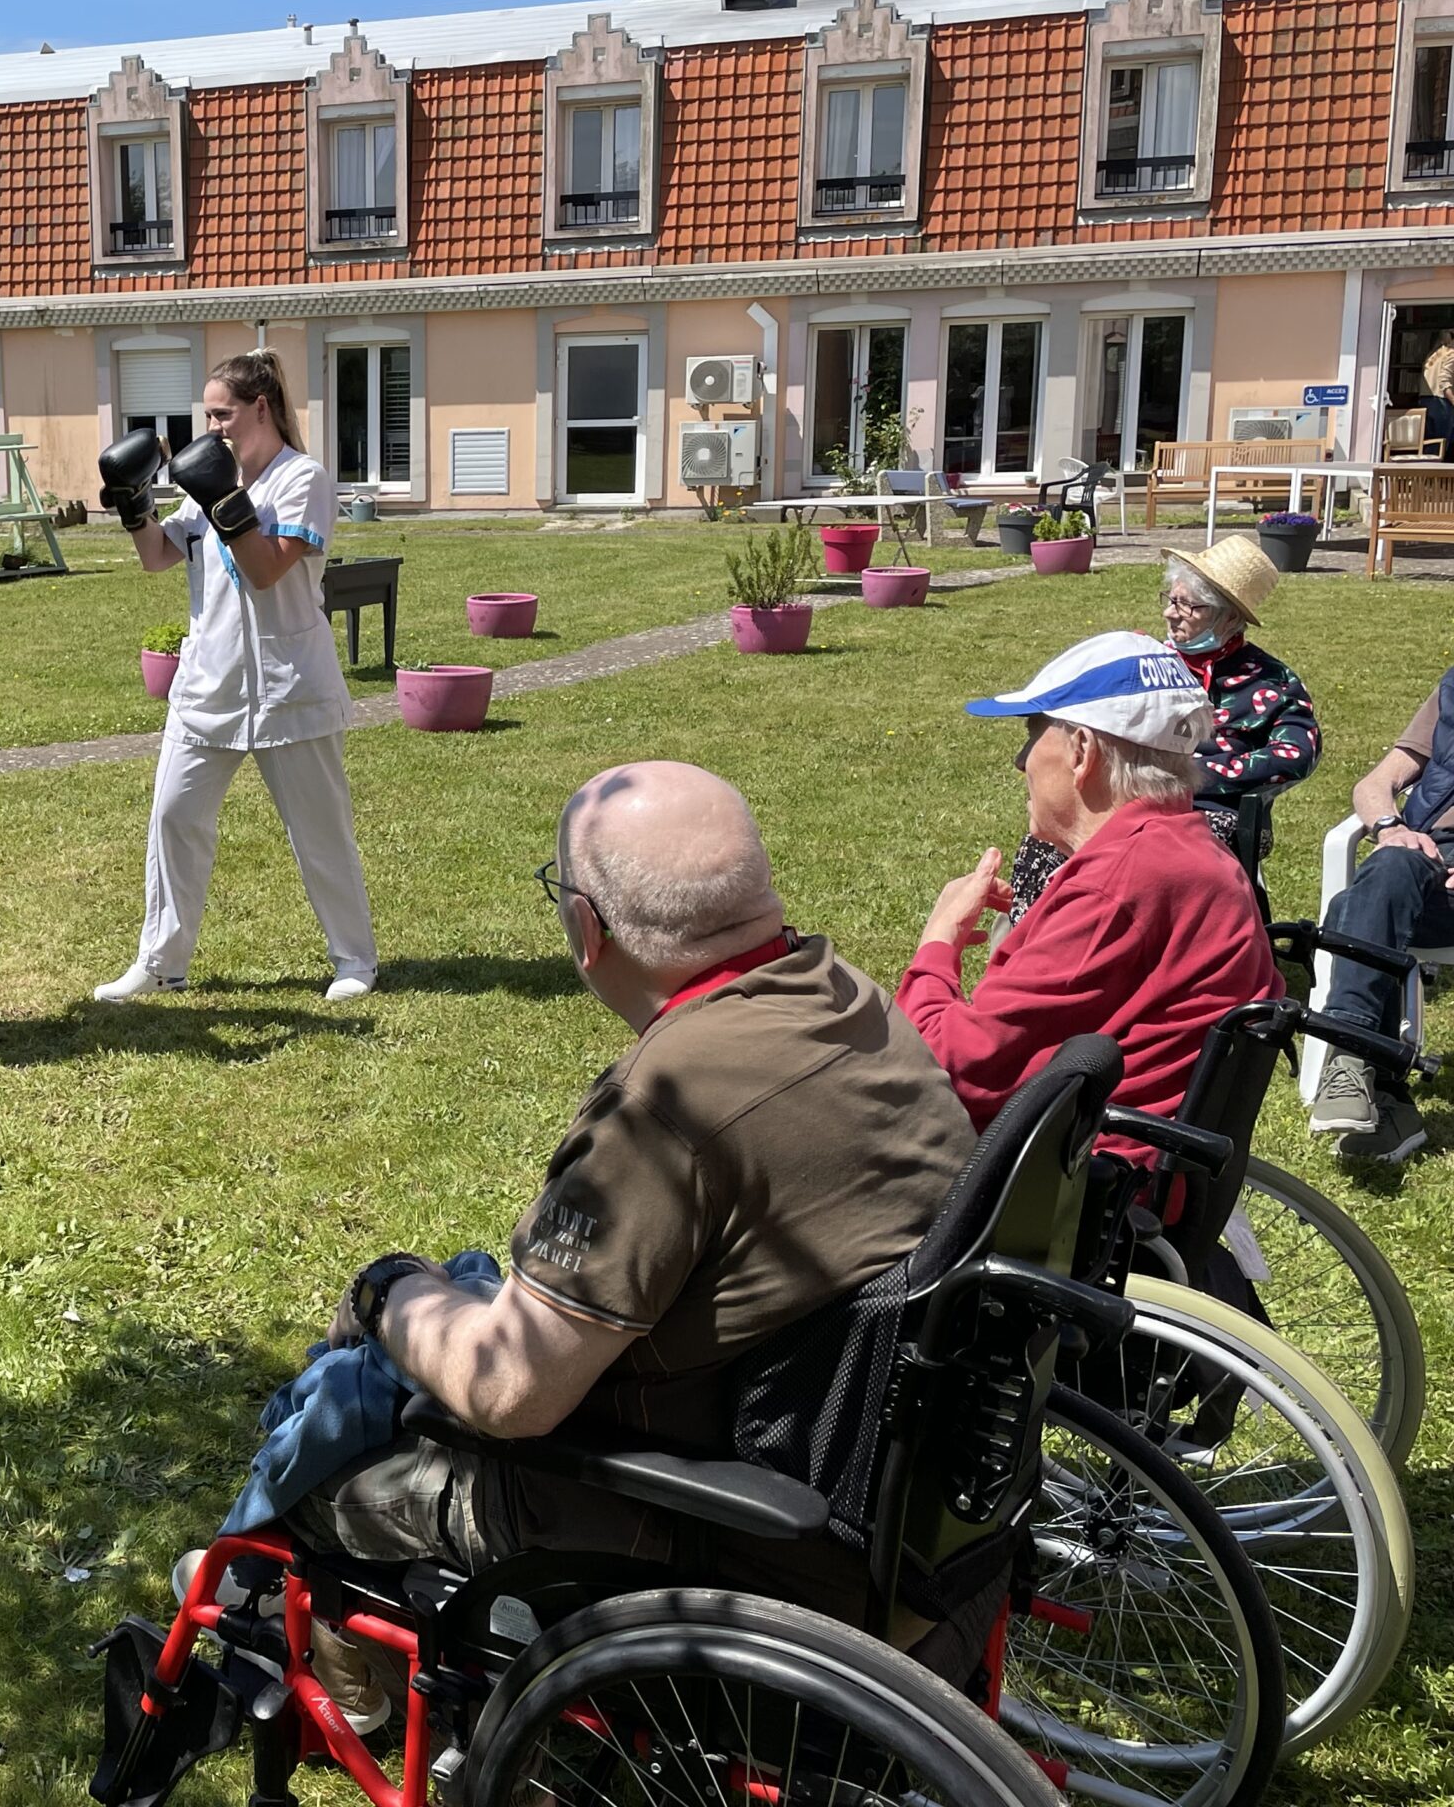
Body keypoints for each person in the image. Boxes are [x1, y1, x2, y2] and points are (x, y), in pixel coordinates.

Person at [273, 764, 970, 1620]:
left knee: (317, 1475)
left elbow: (510, 1392)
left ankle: (332, 1652)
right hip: (882, 1496)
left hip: (693, 1523)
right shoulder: (851, 998)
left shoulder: (662, 1112)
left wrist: (387, 1290)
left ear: (585, 926)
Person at [899, 632, 1280, 1138]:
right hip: (1133, 1156)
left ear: (1081, 750)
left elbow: (946, 1069)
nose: (1020, 761)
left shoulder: (1120, 884)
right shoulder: (1189, 849)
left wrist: (938, 942)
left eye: (1033, 734)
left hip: (1073, 1174)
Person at [90, 350, 378, 1003]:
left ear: (261, 408)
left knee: (320, 832)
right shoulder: (207, 478)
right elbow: (157, 557)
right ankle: (161, 962)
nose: (213, 427)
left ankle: (354, 960)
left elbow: (267, 570)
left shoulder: (302, 479)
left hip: (289, 685)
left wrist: (223, 497)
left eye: (222, 414)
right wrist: (133, 505)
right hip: (208, 684)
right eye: (208, 416)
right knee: (174, 819)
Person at [1304, 661, 1454, 1163]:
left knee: (1356, 905)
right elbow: (1374, 784)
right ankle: (1363, 1069)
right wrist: (1390, 828)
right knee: (1387, 872)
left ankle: (1366, 1073)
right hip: (1423, 859)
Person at [1159, 538, 1320, 848]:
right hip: (1134, 801)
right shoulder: (1152, 662)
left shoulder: (1272, 681)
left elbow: (1297, 754)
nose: (1169, 613)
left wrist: (1199, 774)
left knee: (1155, 849)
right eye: (1170, 599)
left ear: (1230, 617)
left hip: (1215, 812)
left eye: (1185, 605)